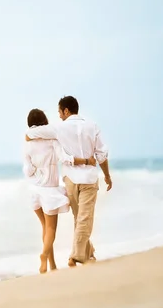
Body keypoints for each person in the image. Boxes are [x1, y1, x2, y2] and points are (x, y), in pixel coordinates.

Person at [25, 96, 111, 267]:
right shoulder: (92, 126)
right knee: (83, 219)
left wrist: (28, 138)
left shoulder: (58, 129)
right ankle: (76, 256)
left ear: (66, 110)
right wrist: (106, 175)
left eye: (59, 111)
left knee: (78, 218)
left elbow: (30, 135)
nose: (58, 115)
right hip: (87, 179)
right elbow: (101, 154)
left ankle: (82, 254)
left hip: (64, 181)